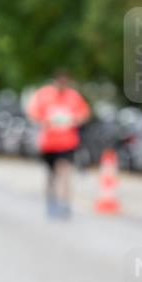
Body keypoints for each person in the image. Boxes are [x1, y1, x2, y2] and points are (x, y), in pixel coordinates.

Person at [26, 72, 90, 219]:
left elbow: (84, 114)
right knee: (51, 175)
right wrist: (45, 120)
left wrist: (74, 120)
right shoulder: (44, 95)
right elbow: (33, 114)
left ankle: (65, 203)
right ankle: (52, 202)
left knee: (65, 171)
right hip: (49, 143)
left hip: (67, 142)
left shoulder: (74, 96)